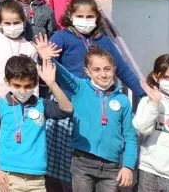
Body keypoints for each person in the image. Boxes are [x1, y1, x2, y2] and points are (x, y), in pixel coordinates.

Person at [33, 0, 144, 190]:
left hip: (97, 105)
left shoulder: (104, 41)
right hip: (67, 106)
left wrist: (143, 95)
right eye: (80, 16)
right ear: (71, 16)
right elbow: (48, 62)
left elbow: (123, 70)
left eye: (89, 16)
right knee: (62, 167)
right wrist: (43, 57)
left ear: (96, 18)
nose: (85, 20)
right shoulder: (61, 37)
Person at [38, 43, 137, 192]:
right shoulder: (80, 87)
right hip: (82, 162)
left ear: (114, 70)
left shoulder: (123, 100)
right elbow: (62, 74)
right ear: (87, 71)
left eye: (107, 69)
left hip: (111, 167)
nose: (103, 74)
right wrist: (47, 58)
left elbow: (130, 136)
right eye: (96, 69)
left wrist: (128, 166)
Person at [0, 57, 73, 192]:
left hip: (36, 181)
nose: (22, 91)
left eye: (28, 86)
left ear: (35, 83)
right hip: (7, 178)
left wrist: (52, 83)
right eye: (17, 85)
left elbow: (67, 110)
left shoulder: (42, 105)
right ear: (7, 81)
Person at [134, 54, 169, 192]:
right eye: (167, 78)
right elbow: (142, 128)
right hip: (149, 170)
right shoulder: (148, 101)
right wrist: (154, 104)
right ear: (156, 77)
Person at [0, 0, 39, 100]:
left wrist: (34, 99)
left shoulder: (30, 47)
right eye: (7, 23)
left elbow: (34, 76)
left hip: (22, 98)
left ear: (23, 22)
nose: (12, 27)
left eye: (16, 23)